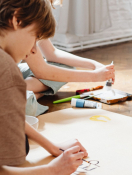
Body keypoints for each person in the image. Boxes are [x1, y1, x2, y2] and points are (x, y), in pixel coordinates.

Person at [0, 0, 87, 174]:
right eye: (35, 38)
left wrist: (52, 147)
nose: (33, 50)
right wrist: (52, 170)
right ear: (17, 20)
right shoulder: (6, 70)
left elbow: (5, 111)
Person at [19, 0, 115, 116]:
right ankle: (31, 94)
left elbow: (52, 53)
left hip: (14, 72)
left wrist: (94, 65)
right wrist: (94, 76)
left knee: (65, 67)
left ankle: (25, 93)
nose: (33, 50)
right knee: (23, 107)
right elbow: (41, 70)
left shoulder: (36, 9)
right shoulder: (24, 10)